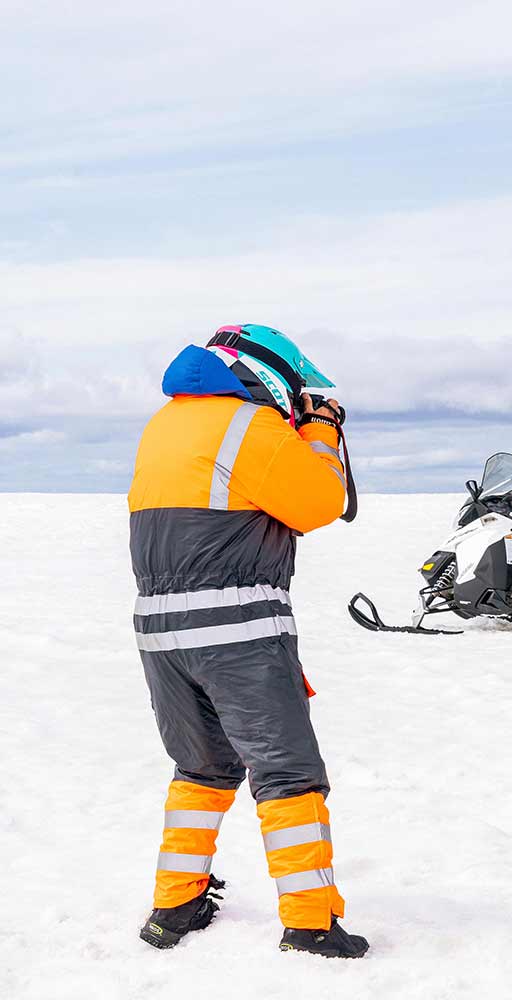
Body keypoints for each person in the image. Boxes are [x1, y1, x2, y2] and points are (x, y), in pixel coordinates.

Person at [130, 324, 368, 957]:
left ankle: (174, 907)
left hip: (161, 635)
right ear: (268, 376)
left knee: (202, 769)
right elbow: (320, 503)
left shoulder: (165, 425)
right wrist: (319, 432)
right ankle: (311, 924)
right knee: (288, 773)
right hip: (238, 632)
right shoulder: (247, 427)